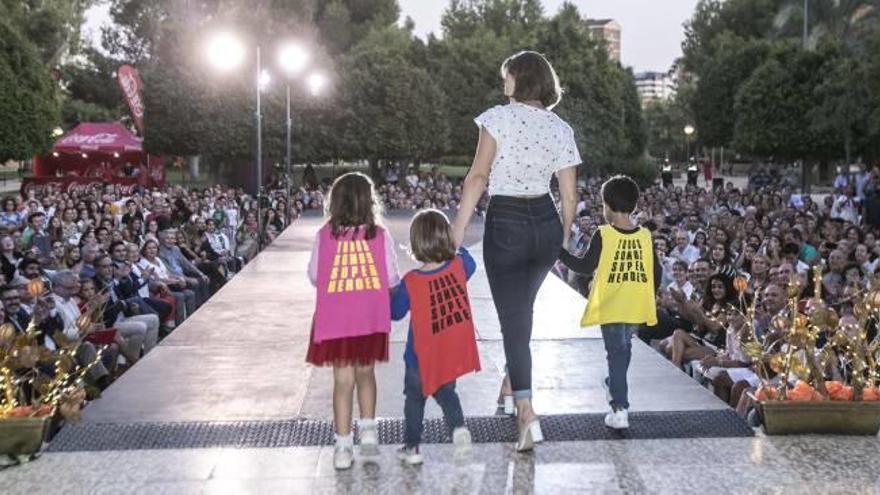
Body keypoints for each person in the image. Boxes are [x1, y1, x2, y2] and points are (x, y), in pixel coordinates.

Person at [451, 50, 580, 452]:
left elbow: (477, 177)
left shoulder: (498, 118)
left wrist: (457, 230)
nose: (502, 81)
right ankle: (510, 385)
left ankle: (526, 410)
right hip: (545, 220)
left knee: (514, 317)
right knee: (522, 311)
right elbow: (570, 195)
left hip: (506, 220)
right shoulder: (561, 128)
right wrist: (559, 236)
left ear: (520, 79)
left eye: (507, 75)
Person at [305, 172, 400, 470]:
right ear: (369, 201)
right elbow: (392, 277)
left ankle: (343, 446)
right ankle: (369, 431)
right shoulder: (380, 236)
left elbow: (314, 276)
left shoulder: (324, 235)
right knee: (366, 374)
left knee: (342, 381)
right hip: (369, 318)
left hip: (336, 320)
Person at [559, 176, 660, 430]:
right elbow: (656, 273)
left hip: (613, 306)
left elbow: (583, 266)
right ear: (634, 206)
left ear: (607, 206)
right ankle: (614, 385)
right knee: (623, 351)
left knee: (616, 354)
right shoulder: (646, 236)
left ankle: (620, 408)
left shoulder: (604, 234)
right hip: (636, 306)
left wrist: (558, 252)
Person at [391, 209, 478, 465]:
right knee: (448, 394)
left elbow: (396, 313)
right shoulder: (459, 267)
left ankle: (412, 448)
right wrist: (454, 244)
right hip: (447, 355)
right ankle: (459, 430)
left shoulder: (411, 281)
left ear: (416, 243)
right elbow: (468, 259)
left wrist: (389, 294)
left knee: (415, 401)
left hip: (418, 358)